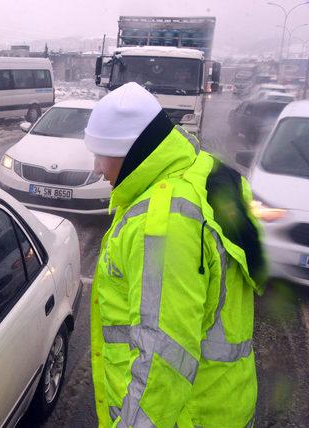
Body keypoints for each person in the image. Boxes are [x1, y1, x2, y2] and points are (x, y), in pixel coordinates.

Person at [85, 82, 266, 427]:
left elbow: (163, 357)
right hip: (220, 400)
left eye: (102, 154)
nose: (96, 167)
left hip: (185, 415)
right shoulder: (206, 173)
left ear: (131, 153)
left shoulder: (164, 222)